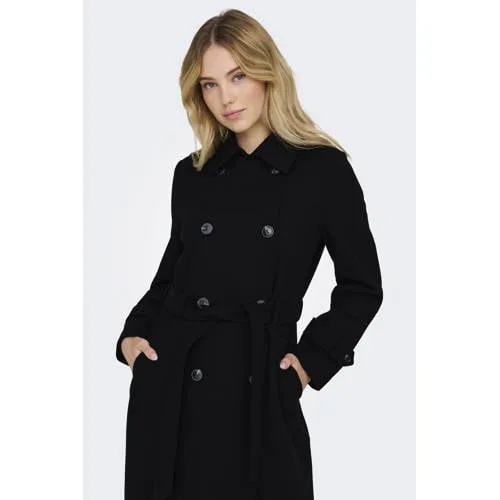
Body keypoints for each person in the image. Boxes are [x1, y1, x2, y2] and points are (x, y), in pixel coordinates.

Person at [115, 8, 383, 500]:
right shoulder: (192, 173)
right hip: (171, 387)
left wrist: (308, 362)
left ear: (267, 72)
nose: (226, 98)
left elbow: (362, 288)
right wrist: (133, 337)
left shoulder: (323, 171)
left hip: (259, 390)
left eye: (237, 76)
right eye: (210, 84)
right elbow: (171, 276)